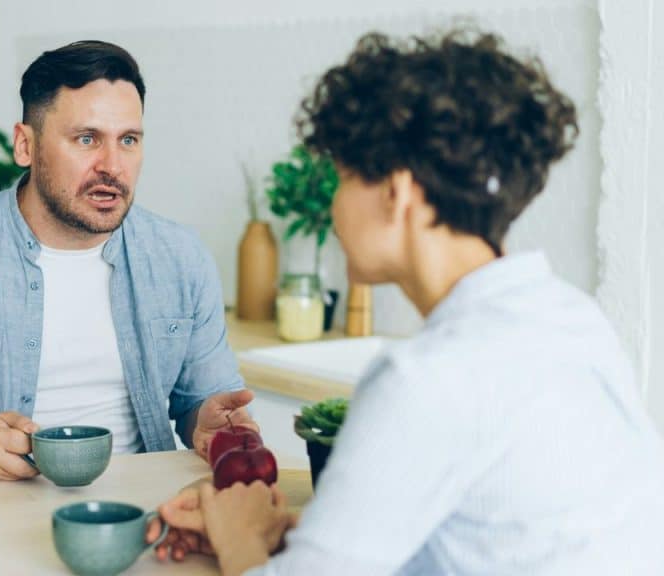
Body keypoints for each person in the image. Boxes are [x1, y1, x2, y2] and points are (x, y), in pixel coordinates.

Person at [150, 29, 664, 575]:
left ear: (396, 195)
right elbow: (492, 538)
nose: (334, 206)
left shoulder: (428, 379)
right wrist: (282, 536)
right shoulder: (571, 319)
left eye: (343, 178)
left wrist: (239, 535)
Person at [0, 40, 257, 480]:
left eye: (128, 140)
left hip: (143, 508)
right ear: (25, 146)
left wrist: (211, 425)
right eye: (87, 139)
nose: (112, 166)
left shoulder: (181, 258)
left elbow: (204, 402)